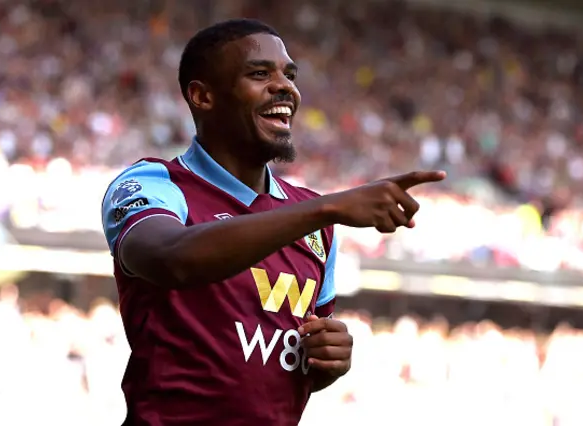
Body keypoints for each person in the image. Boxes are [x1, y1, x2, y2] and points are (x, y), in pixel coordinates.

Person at [101, 18, 445, 426]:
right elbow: (173, 259)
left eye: (290, 74)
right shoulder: (154, 185)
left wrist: (327, 359)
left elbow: (270, 366)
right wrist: (326, 209)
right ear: (203, 96)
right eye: (260, 73)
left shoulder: (315, 218)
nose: (285, 87)